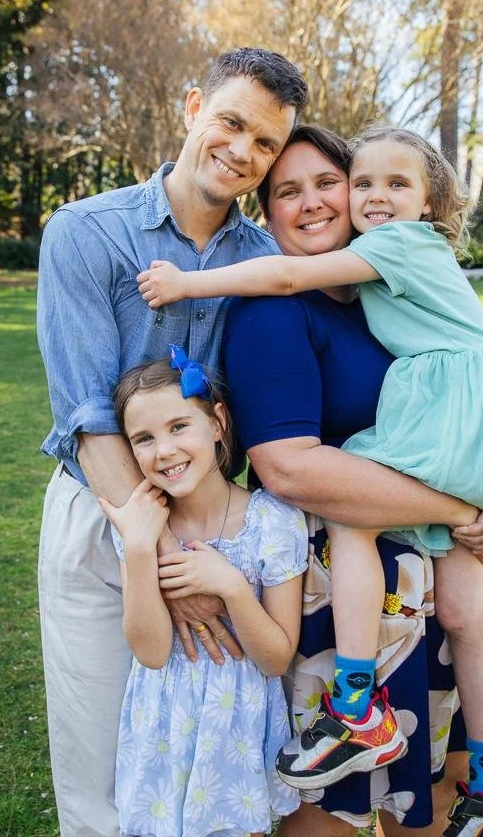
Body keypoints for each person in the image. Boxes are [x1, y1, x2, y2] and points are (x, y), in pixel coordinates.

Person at [138, 124, 483, 836]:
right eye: (288, 191)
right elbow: (286, 467)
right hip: (338, 599)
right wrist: (465, 503)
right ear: (265, 215)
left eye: (329, 183)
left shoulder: (380, 294)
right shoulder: (272, 309)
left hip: (417, 584)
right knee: (334, 813)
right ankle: (358, 713)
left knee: (424, 799)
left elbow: (463, 415)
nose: (315, 202)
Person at [36, 47, 309, 836]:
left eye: (264, 144)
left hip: (226, 540)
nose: (242, 152)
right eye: (230, 122)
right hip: (103, 516)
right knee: (98, 765)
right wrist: (157, 557)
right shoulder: (86, 231)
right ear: (193, 107)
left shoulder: (265, 261)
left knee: (206, 755)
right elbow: (87, 413)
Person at [98, 348, 308, 837]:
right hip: (161, 725)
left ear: (217, 423)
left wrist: (233, 587)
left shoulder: (271, 521)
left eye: (178, 427)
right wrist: (138, 547)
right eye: (143, 439)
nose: (163, 451)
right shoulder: (140, 525)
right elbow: (150, 651)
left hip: (236, 724)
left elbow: (277, 658)